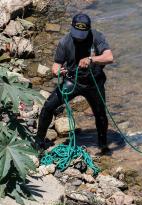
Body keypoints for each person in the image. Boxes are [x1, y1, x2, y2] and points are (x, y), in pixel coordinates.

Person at [35, 13, 114, 155]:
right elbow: (56, 65)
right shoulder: (65, 42)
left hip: (94, 83)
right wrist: (58, 72)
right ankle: (39, 141)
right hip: (72, 81)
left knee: (100, 114)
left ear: (88, 30)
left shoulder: (96, 37)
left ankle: (103, 146)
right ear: (71, 28)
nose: (78, 37)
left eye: (82, 34)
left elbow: (109, 57)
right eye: (76, 33)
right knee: (48, 106)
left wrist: (91, 59)